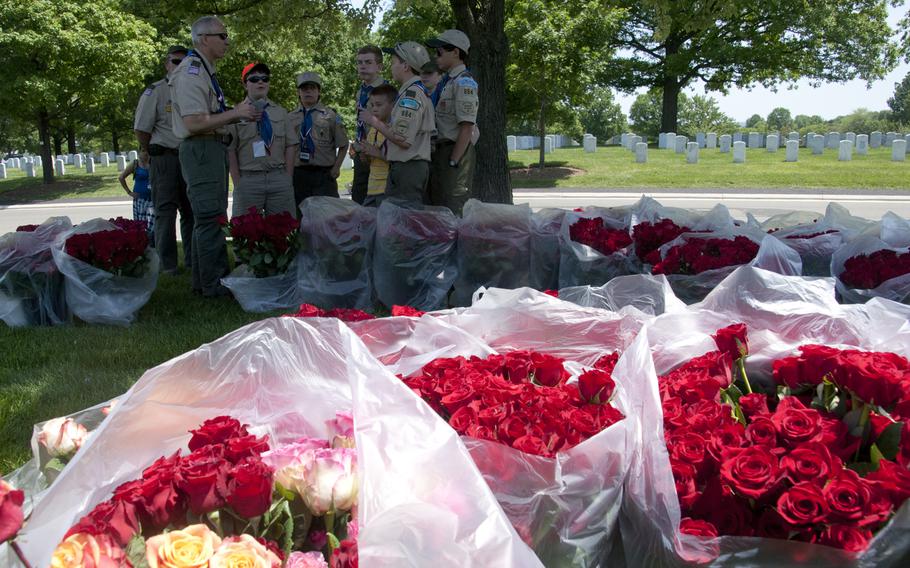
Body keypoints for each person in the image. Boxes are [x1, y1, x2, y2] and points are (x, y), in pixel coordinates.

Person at [170, 15, 261, 297]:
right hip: (201, 149)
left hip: (209, 148)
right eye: (222, 36)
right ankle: (215, 284)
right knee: (210, 218)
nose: (227, 41)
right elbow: (194, 123)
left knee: (208, 218)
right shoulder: (192, 72)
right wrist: (236, 113)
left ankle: (204, 282)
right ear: (203, 39)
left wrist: (233, 118)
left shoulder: (204, 71)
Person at [133, 45, 194, 275]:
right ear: (167, 64)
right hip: (165, 159)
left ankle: (192, 260)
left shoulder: (192, 88)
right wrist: (148, 150)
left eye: (186, 61)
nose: (181, 65)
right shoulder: (155, 91)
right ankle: (167, 265)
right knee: (165, 213)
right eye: (176, 61)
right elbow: (141, 128)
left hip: (189, 157)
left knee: (191, 212)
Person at [359, 42, 435, 206]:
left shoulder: (411, 95)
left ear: (406, 66)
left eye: (394, 63)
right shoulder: (411, 92)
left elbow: (402, 139)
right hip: (405, 167)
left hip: (408, 169)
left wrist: (373, 121)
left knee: (404, 222)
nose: (392, 67)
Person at [226, 62, 297, 217]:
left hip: (278, 178)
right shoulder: (235, 114)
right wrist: (238, 182)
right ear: (245, 85)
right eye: (254, 79)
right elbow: (230, 149)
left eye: (265, 78)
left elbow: (291, 145)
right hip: (249, 180)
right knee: (245, 233)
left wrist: (287, 176)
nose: (260, 82)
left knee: (283, 232)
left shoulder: (281, 112)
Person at [426, 29, 479, 215]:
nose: (436, 56)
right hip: (441, 151)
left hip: (455, 150)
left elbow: (466, 127)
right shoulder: (447, 82)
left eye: (439, 52)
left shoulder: (464, 82)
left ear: (455, 52)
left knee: (453, 206)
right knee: (439, 206)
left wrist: (454, 161)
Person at [289, 72, 349, 210]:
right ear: (298, 92)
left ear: (319, 91)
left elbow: (343, 144)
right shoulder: (290, 117)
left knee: (327, 215)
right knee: (301, 216)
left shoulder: (330, 116)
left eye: (312, 88)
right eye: (304, 88)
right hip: (299, 174)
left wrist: (336, 167)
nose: (308, 91)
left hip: (323, 175)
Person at [351, 45, 387, 204]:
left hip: (379, 154)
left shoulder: (387, 92)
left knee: (377, 204)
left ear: (379, 67)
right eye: (359, 62)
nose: (362, 66)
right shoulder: (362, 91)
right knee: (358, 201)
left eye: (368, 62)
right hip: (361, 152)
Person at [356, 84, 397, 207]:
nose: (374, 109)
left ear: (393, 105)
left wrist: (377, 153)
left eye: (379, 105)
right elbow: (371, 161)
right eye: (372, 105)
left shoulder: (394, 130)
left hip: (387, 190)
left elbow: (398, 159)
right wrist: (366, 156)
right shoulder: (373, 130)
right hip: (372, 188)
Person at [118, 150, 155, 240]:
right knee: (141, 224)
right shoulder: (135, 164)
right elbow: (121, 177)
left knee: (152, 224)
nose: (145, 153)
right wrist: (129, 192)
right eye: (143, 151)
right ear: (139, 153)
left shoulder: (154, 162)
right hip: (140, 200)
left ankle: (153, 244)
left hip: (153, 198)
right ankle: (143, 244)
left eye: (146, 151)